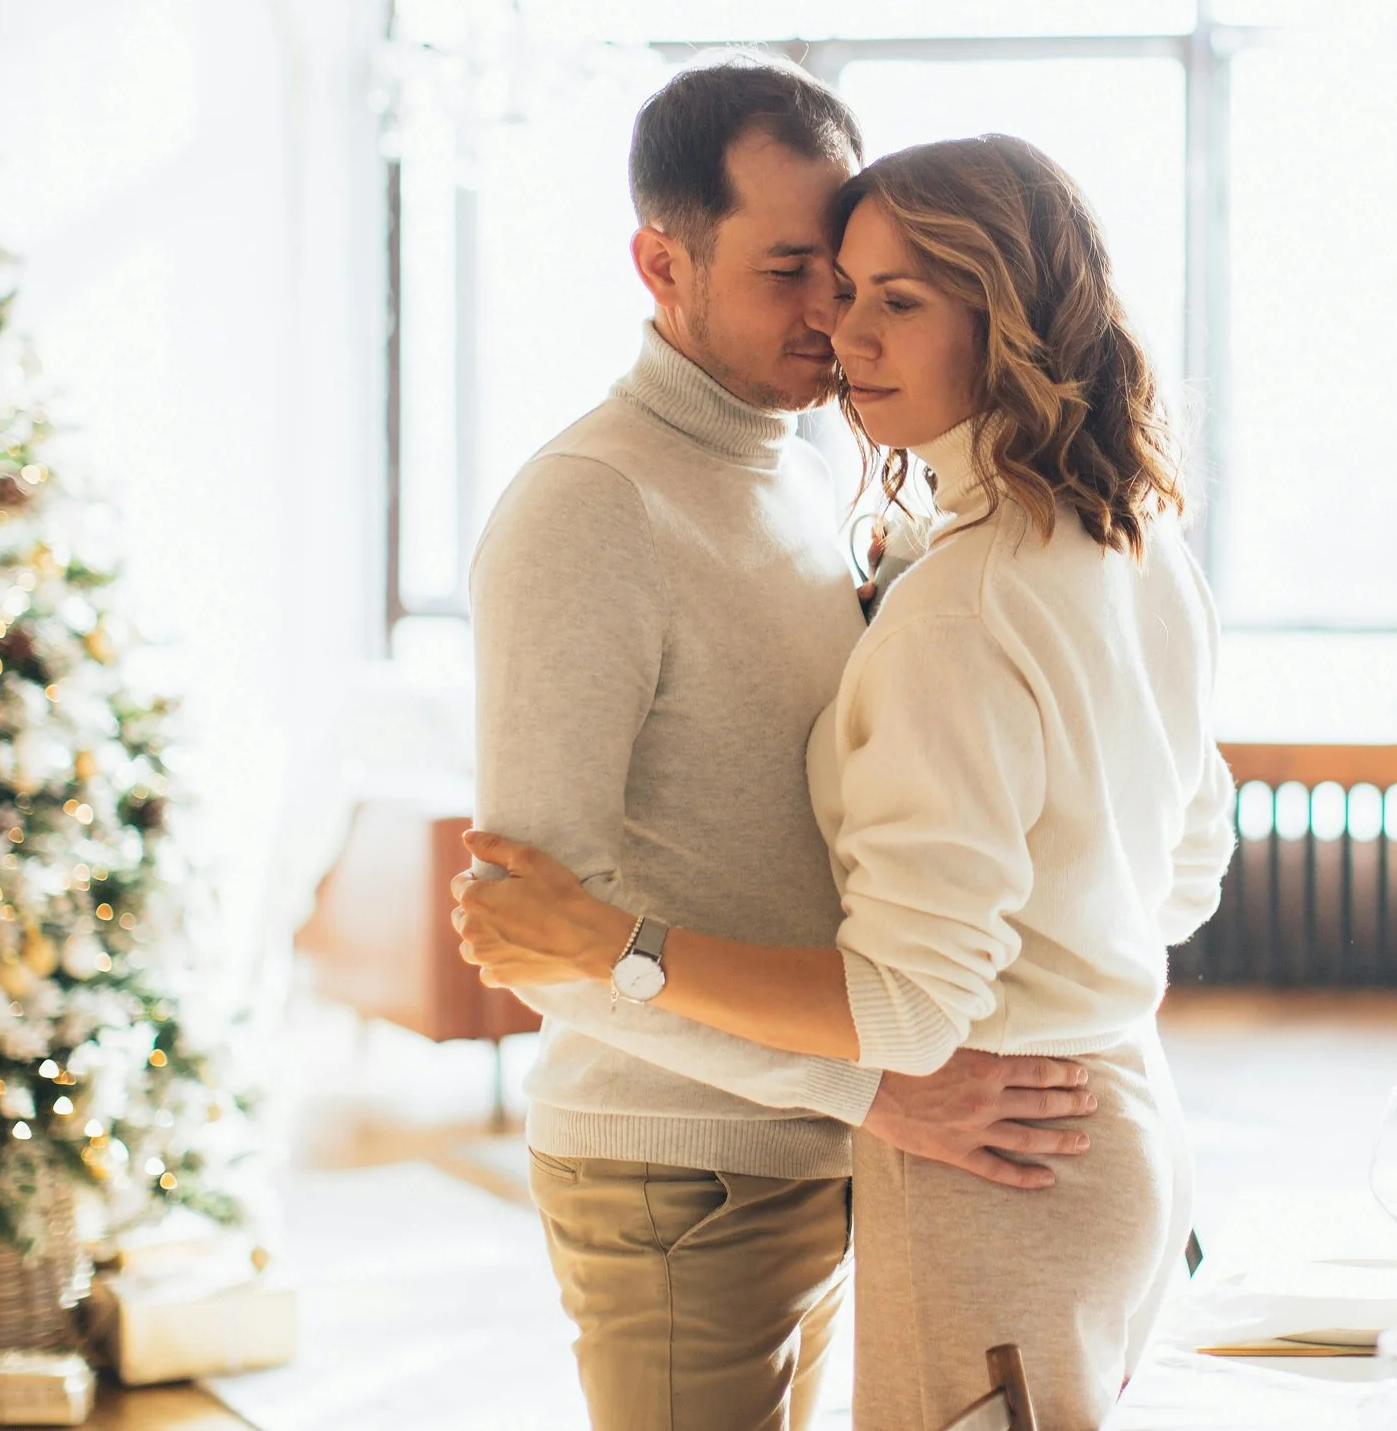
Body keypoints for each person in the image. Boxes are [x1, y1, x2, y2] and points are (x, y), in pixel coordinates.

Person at [458, 132, 1237, 1429]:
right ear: (662, 262)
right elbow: (1183, 869)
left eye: (887, 293)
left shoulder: (950, 577)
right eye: (806, 275)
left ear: (1007, 318)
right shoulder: (1128, 537)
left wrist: (624, 946)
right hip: (1056, 1120)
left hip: (985, 1135)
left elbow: (912, 1008)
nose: (839, 324)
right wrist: (1056, 986)